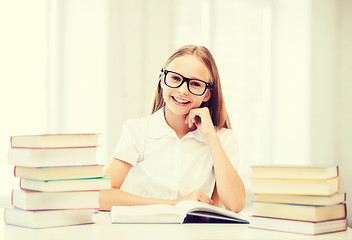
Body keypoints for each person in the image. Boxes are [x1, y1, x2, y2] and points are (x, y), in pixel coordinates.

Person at [99, 45, 245, 212]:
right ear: (162, 79)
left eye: (195, 84)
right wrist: (174, 203)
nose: (183, 90)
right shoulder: (138, 131)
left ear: (207, 94)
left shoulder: (222, 137)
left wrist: (211, 136)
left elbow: (235, 205)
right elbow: (100, 195)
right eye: (176, 78)